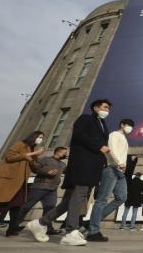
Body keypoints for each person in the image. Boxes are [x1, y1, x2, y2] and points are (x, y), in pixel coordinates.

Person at [27, 99, 112, 246]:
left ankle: (41, 223)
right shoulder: (85, 118)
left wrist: (103, 160)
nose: (107, 110)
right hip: (82, 163)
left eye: (109, 108)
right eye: (105, 107)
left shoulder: (103, 124)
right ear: (96, 108)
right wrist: (99, 146)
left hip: (93, 165)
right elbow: (79, 136)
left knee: (72, 200)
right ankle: (70, 231)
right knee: (79, 194)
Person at [0, 131, 45, 237]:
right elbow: (9, 157)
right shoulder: (20, 144)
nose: (40, 139)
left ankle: (12, 229)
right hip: (7, 180)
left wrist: (35, 159)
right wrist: (30, 154)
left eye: (42, 138)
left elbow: (34, 167)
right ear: (34, 137)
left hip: (20, 182)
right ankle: (9, 227)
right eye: (39, 137)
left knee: (17, 205)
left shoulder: (33, 150)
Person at [87, 118, 134, 241]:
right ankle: (93, 230)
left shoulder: (124, 138)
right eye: (128, 125)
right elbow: (111, 149)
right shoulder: (114, 134)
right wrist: (119, 162)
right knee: (102, 199)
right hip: (112, 168)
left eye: (132, 127)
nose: (130, 128)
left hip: (120, 171)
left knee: (122, 197)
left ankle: (92, 222)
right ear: (122, 124)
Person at [16, 146, 68, 235]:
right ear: (58, 152)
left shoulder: (63, 164)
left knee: (50, 207)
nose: (66, 154)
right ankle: (14, 225)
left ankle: (48, 228)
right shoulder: (45, 159)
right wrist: (46, 172)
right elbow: (36, 168)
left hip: (52, 189)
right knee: (27, 206)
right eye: (64, 152)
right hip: (39, 187)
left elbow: (69, 172)